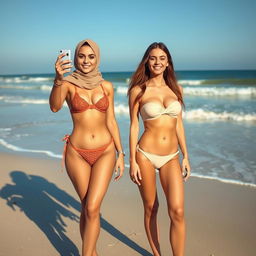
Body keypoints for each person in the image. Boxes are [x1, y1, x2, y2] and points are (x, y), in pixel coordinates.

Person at [49, 39, 125, 256]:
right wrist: (57, 78)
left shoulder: (106, 86)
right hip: (77, 153)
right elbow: (54, 107)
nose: (86, 61)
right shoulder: (67, 84)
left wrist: (121, 153)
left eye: (91, 56)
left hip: (106, 151)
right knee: (87, 208)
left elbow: (111, 121)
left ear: (97, 58)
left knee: (92, 207)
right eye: (81, 56)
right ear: (74, 58)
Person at [128, 42, 191, 256]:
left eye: (162, 58)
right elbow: (134, 125)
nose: (157, 62)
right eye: (153, 58)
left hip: (171, 156)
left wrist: (185, 156)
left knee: (178, 211)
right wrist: (132, 162)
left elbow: (179, 124)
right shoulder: (138, 90)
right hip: (145, 155)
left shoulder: (176, 89)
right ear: (147, 61)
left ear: (168, 63)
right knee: (151, 208)